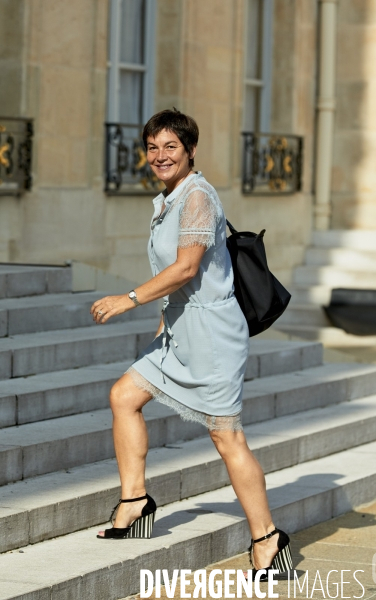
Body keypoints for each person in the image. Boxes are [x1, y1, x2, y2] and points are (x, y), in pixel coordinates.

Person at [90, 109, 292, 580]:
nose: (160, 156)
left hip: (213, 338)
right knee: (124, 395)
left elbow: (185, 268)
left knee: (227, 438)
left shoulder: (198, 195)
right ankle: (135, 502)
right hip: (181, 330)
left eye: (170, 147)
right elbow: (186, 280)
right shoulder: (169, 197)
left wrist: (129, 299)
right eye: (153, 147)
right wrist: (164, 318)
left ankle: (267, 538)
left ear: (190, 151)